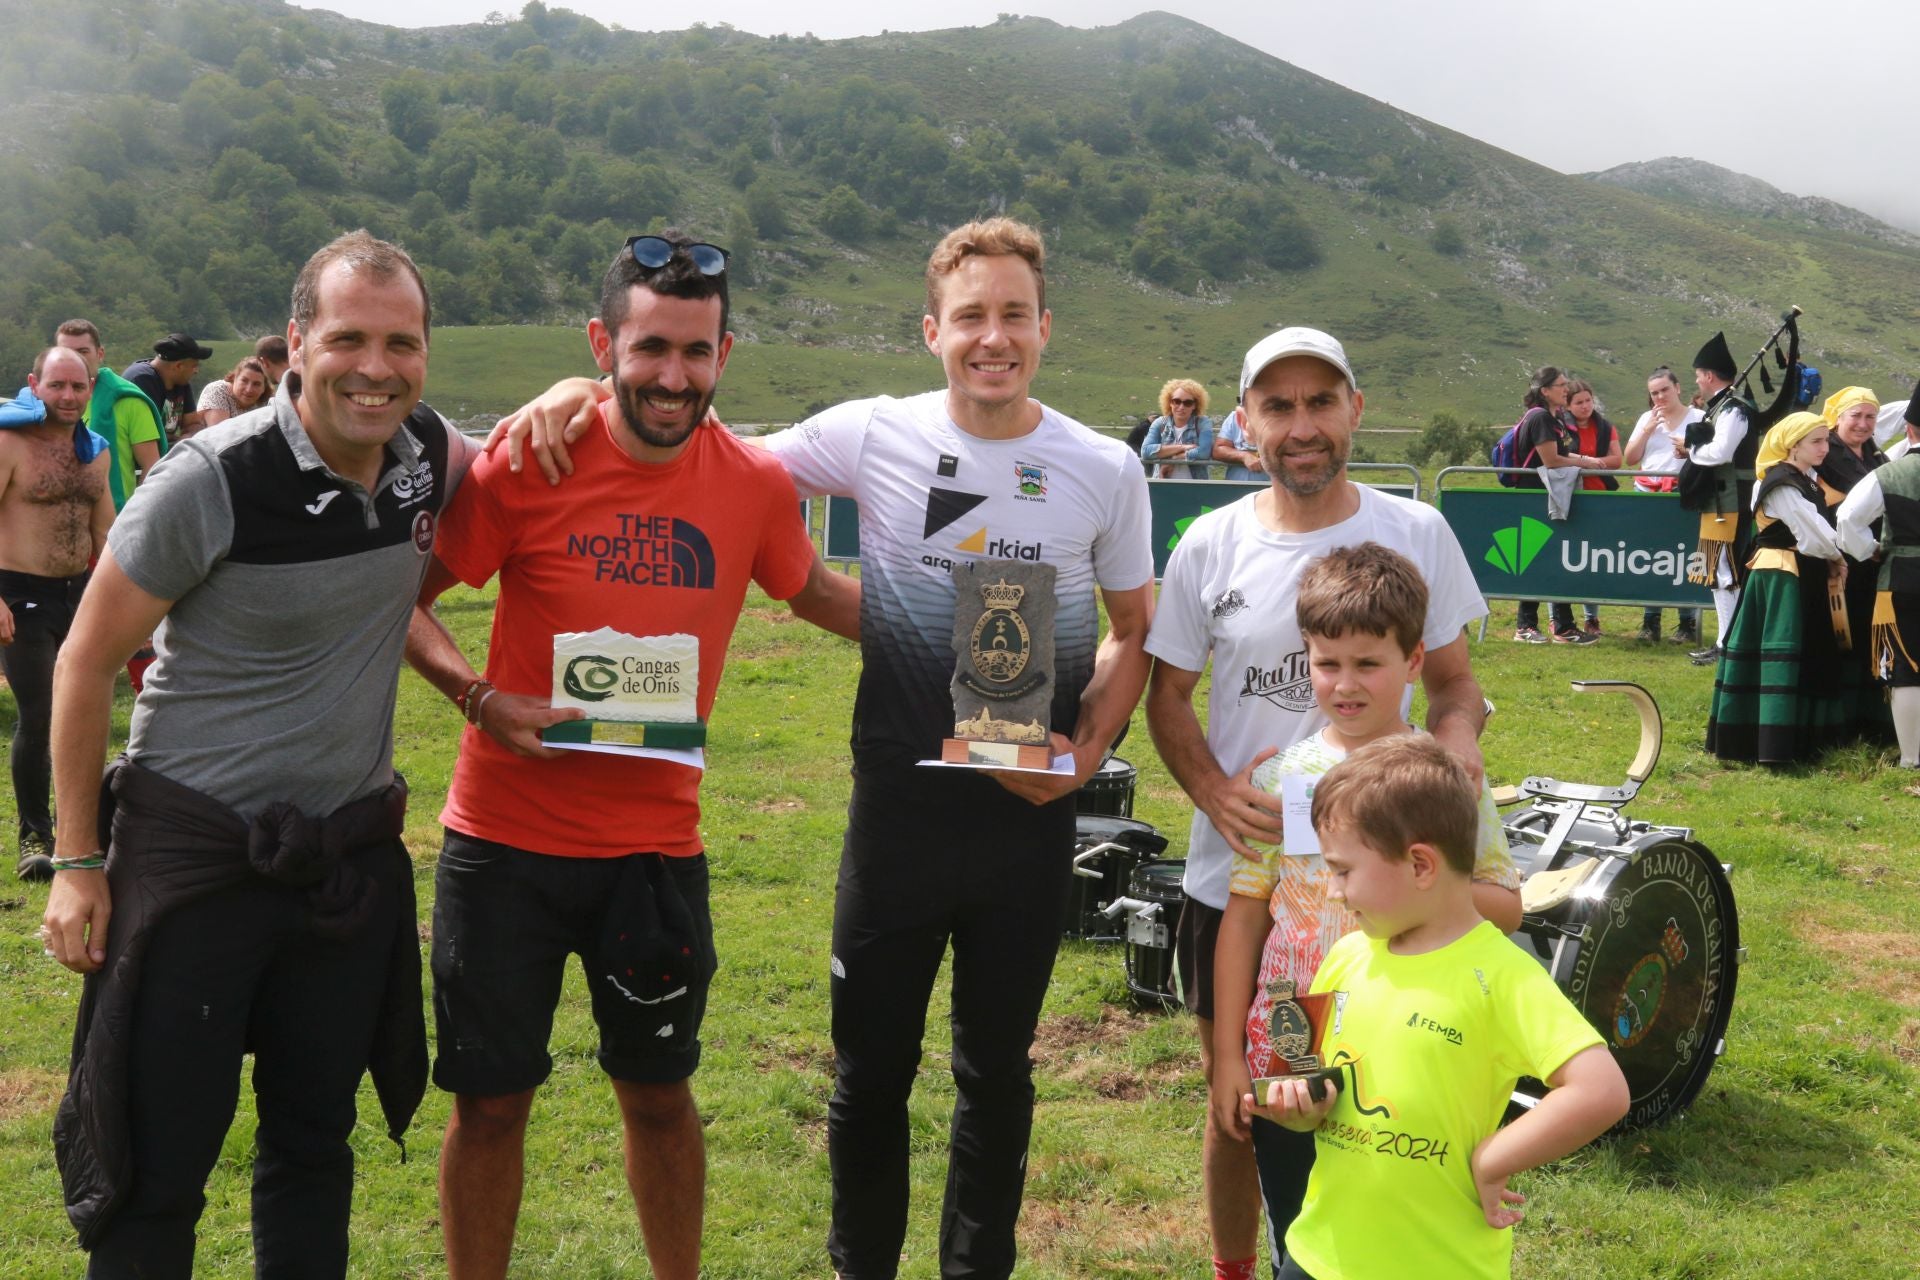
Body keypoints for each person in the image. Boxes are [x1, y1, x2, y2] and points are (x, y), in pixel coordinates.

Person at [491, 217, 1155, 1280]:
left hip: (1025, 827)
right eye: (972, 316)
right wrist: (582, 394)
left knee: (998, 1075)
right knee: (869, 1074)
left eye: (1014, 315)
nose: (995, 336)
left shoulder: (1103, 465)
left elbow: (1135, 626)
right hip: (897, 819)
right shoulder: (873, 431)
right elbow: (701, 447)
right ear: (933, 328)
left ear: (1045, 327)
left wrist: (1087, 751)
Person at [404, 232, 860, 1280]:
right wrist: (476, 696)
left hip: (654, 852)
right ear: (604, 342)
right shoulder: (533, 456)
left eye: (695, 352)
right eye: (651, 347)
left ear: (725, 355)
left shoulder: (753, 482)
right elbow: (407, 599)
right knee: (489, 1102)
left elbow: (820, 594)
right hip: (502, 842)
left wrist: (980, 638)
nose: (673, 375)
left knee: (660, 1096)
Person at [41, 230, 461, 1276]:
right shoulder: (211, 480)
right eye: (350, 336)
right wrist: (79, 862)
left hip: (340, 868)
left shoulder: (428, 459)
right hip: (199, 865)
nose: (376, 366)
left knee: (314, 1147)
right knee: (157, 1172)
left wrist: (560, 395)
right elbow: (85, 662)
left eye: (400, 341)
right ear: (298, 340)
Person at [1143, 325, 1505, 1280]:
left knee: (1390, 1092)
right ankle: (1239, 1268)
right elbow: (1167, 696)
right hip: (1247, 881)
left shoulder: (1415, 531)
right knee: (1242, 1091)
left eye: (1318, 403)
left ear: (1354, 409)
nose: (1300, 426)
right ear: (1246, 421)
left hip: (1390, 885)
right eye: (1277, 407)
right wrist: (1217, 795)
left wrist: (1456, 745)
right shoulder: (1210, 542)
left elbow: (1456, 683)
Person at [1209, 543, 1520, 1274]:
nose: (1345, 685)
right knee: (1299, 1240)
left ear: (1415, 661)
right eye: (1327, 664)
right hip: (1295, 1035)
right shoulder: (1283, 777)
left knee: (1395, 1235)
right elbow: (1247, 915)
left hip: (1409, 1039)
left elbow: (1505, 906)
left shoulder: (1446, 781)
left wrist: (1411, 882)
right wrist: (1229, 1055)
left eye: (1368, 664)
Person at [1256, 735, 1630, 1280]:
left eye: (1342, 871)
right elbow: (1315, 1082)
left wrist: (1494, 1158)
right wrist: (1302, 1106)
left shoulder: (1501, 977)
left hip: (1440, 1264)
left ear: (1421, 865)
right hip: (1319, 1255)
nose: (1334, 892)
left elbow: (1601, 1091)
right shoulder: (1346, 956)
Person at [1, 348, 113, 880]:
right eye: (57, 386)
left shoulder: (97, 453)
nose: (68, 396)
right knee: (40, 712)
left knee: (87, 706)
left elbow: (107, 533)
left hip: (79, 592)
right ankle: (34, 832)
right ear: (34, 385)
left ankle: (82, 824)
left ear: (91, 387)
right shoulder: (10, 444)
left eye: (78, 386)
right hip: (19, 595)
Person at [1705, 412, 1849, 764]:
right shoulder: (1781, 482)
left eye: (1825, 440)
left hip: (1796, 570)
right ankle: (1769, 744)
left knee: (1796, 653)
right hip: (1781, 575)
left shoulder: (1802, 479)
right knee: (1778, 654)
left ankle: (1786, 740)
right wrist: (1840, 555)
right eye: (1815, 441)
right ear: (1792, 444)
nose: (1823, 447)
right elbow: (1812, 532)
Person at [1838, 386, 1920, 766]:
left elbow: (1847, 519)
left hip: (1900, 578)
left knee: (1905, 668)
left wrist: (1869, 551)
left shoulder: (1888, 473)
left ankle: (1911, 758)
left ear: (1910, 430)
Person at [1814, 385, 1893, 744]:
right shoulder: (1826, 453)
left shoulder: (1877, 456)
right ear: (1839, 418)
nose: (1863, 424)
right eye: (1856, 416)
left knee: (1868, 637)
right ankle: (1840, 721)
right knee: (1842, 638)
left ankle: (1870, 716)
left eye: (1870, 417)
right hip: (1839, 560)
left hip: (1873, 560)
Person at [1673, 331, 1757, 666]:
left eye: (1698, 376)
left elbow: (1721, 452)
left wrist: (1691, 448)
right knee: (1718, 572)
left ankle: (1731, 643)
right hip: (1720, 502)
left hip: (1731, 502)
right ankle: (1725, 642)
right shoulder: (1724, 407)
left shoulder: (1735, 410)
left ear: (1709, 376)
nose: (1697, 381)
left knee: (1727, 571)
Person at [1507, 366, 1600, 644]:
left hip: (1546, 496)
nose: (1566, 388)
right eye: (1560, 385)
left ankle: (1563, 627)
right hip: (1536, 496)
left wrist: (1583, 458)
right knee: (1538, 560)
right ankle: (1528, 627)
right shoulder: (1541, 419)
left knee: (1554, 559)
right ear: (1545, 391)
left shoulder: (1552, 417)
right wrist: (1584, 461)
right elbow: (1551, 460)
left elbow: (1559, 453)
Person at [1623, 366, 1704, 644]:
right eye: (1654, 393)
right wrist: (1646, 431)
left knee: (1686, 555)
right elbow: (1630, 458)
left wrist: (1690, 450)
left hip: (1685, 492)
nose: (1660, 397)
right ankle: (1650, 622)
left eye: (1664, 390)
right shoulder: (1647, 418)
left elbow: (1714, 456)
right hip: (1648, 492)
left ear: (1677, 388)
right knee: (1651, 556)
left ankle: (1687, 622)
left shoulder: (1699, 418)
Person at [53, 320, 166, 512]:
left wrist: (135, 515)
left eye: (83, 351)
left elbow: (151, 467)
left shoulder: (129, 401)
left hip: (115, 518)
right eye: (66, 352)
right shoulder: (45, 402)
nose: (74, 359)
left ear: (100, 354)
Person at [1564, 378, 1621, 635]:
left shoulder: (1605, 427)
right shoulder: (1561, 428)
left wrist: (1591, 463)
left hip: (1600, 498)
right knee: (1566, 558)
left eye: (1588, 400)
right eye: (1579, 402)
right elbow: (1560, 457)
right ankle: (1561, 619)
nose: (1585, 406)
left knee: (1593, 559)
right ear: (1568, 405)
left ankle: (1592, 618)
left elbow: (1617, 459)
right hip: (1570, 499)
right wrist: (1587, 462)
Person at [121, 332, 211, 444]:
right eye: (194, 366)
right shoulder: (142, 380)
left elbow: (194, 424)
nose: (196, 371)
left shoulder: (181, 382)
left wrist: (185, 439)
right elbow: (145, 436)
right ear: (178, 366)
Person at [1141, 377, 1216, 478]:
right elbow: (1145, 451)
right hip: (1164, 485)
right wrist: (1182, 447)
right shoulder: (1160, 423)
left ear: (1195, 405)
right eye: (1177, 401)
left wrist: (1174, 459)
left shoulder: (1202, 423)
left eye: (1187, 403)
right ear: (1170, 402)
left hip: (1197, 488)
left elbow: (1204, 452)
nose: (1181, 407)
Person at [195, 356, 272, 428]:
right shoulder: (218, 391)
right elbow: (219, 435)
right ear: (234, 378)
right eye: (244, 381)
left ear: (264, 388)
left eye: (256, 384)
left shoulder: (267, 403)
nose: (249, 389)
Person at [1213, 398, 1265, 482]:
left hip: (1271, 489)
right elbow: (1218, 450)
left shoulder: (1281, 419)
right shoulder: (1234, 417)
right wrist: (1244, 456)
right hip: (1236, 486)